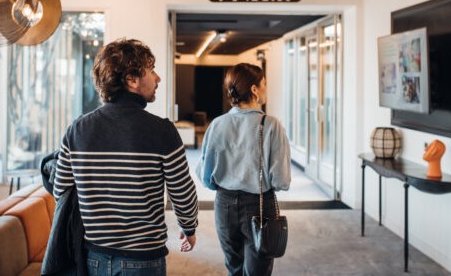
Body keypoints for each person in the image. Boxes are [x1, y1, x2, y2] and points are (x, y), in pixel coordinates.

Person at [53, 38, 198, 275]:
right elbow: (181, 191)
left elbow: (61, 192)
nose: (158, 78)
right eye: (151, 71)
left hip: (93, 257)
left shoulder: (76, 129)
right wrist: (189, 227)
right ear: (131, 79)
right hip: (144, 259)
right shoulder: (162, 130)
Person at [196, 63, 291, 276]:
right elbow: (280, 181)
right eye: (265, 84)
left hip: (224, 205)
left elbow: (205, 177)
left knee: (234, 268)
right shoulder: (271, 125)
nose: (267, 88)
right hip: (259, 204)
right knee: (258, 271)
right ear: (255, 90)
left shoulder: (217, 124)